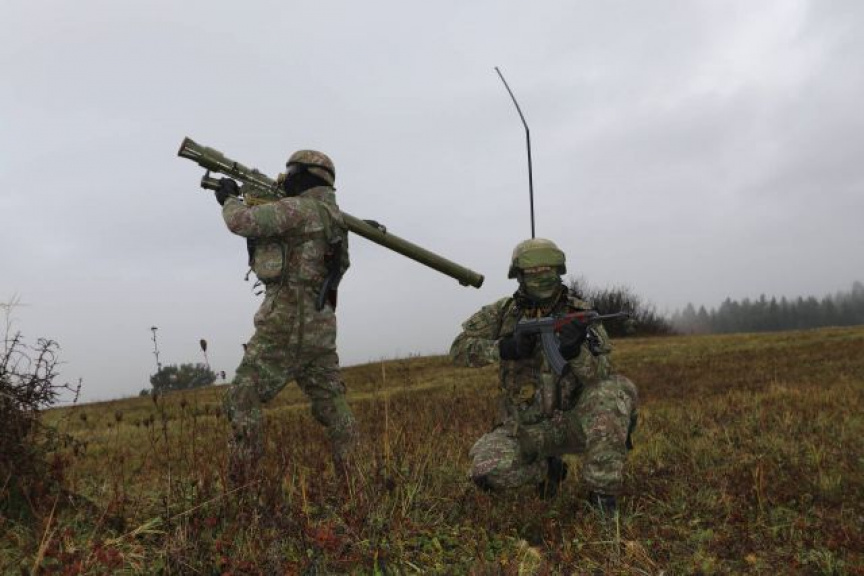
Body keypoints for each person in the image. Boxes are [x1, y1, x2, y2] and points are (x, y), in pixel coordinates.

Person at [449, 238, 638, 514]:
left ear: (558, 270)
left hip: (573, 422)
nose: (541, 277)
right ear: (519, 275)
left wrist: (575, 352)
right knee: (485, 472)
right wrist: (504, 348)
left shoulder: (580, 314)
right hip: (524, 428)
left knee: (615, 391)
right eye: (533, 272)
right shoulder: (503, 313)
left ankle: (602, 496)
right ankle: (547, 471)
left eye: (547, 270)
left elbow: (603, 372)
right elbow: (458, 349)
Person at [213, 149, 357, 481]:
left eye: (290, 172)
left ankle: (243, 483)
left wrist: (229, 199)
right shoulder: (335, 219)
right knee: (332, 403)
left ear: (305, 176)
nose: (284, 178)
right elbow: (341, 266)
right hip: (320, 326)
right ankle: (355, 479)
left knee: (242, 396)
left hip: (284, 323)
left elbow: (241, 222)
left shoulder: (297, 209)